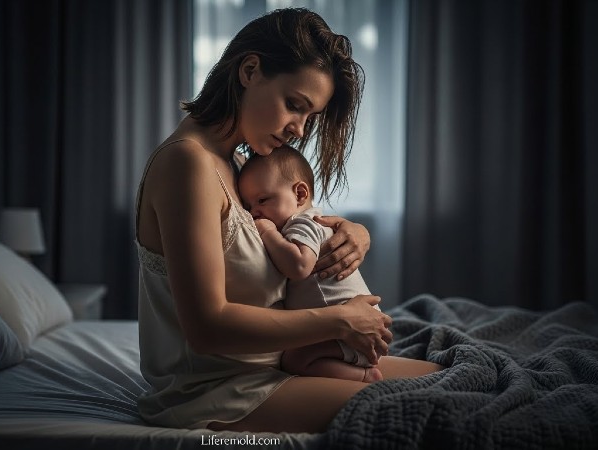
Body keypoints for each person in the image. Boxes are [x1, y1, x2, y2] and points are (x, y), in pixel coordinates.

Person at [135, 8, 442, 433]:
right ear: (250, 71)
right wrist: (342, 320)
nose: (299, 129)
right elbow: (207, 328)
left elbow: (285, 225)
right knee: (433, 410)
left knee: (455, 379)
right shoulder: (187, 164)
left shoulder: (237, 163)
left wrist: (354, 232)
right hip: (220, 390)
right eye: (294, 106)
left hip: (281, 365)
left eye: (310, 116)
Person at [238, 145, 385, 383]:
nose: (254, 212)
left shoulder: (303, 224)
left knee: (294, 360)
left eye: (262, 200)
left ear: (300, 194)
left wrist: (267, 233)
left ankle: (365, 376)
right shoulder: (298, 225)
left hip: (354, 331)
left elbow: (299, 266)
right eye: (249, 206)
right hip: (348, 328)